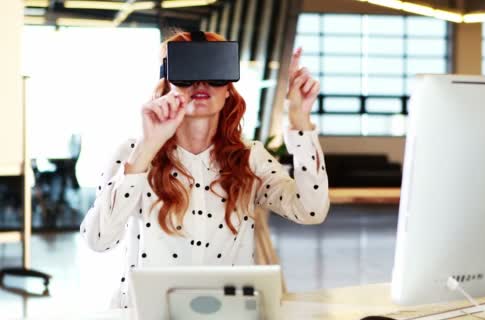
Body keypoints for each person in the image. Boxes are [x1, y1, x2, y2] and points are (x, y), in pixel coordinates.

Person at [79, 31, 330, 309]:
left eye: (214, 70)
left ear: (229, 88)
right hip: (148, 312)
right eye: (186, 71)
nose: (200, 82)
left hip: (227, 312)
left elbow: (311, 210)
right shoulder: (132, 154)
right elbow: (98, 240)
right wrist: (146, 149)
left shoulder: (249, 159)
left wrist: (299, 122)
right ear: (167, 81)